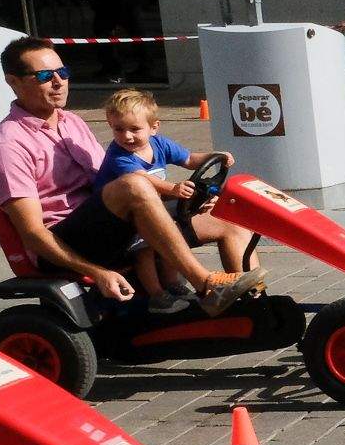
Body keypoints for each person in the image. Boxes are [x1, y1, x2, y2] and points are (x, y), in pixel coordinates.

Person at [0, 37, 264, 316]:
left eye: (62, 72)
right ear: (13, 82)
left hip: (111, 225)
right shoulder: (7, 146)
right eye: (44, 75)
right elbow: (33, 233)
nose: (58, 82)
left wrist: (188, 204)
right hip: (66, 239)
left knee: (229, 216)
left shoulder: (72, 122)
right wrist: (97, 272)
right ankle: (206, 285)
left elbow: (108, 183)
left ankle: (256, 308)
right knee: (134, 184)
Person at [96, 89, 244, 313]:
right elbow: (142, 181)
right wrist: (174, 189)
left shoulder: (160, 144)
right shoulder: (119, 156)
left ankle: (178, 283)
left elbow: (189, 159)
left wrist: (215, 156)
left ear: (154, 127)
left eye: (135, 129)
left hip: (150, 209)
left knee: (177, 229)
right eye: (119, 129)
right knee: (144, 247)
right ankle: (157, 294)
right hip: (121, 218)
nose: (127, 136)